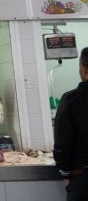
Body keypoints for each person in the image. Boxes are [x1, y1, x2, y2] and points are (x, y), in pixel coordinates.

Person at [53, 46, 88, 200]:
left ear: (84, 70)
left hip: (83, 180)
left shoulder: (71, 100)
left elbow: (63, 143)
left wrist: (65, 173)